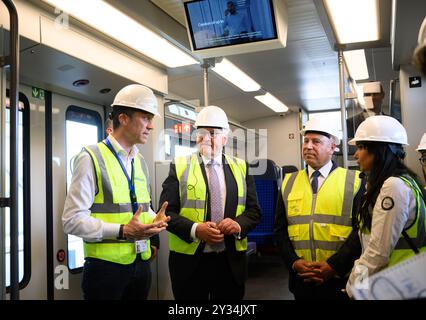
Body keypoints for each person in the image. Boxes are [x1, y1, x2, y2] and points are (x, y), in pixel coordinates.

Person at [62, 84, 170, 300]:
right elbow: (71, 220)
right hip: (105, 271)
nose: (151, 126)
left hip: (141, 264)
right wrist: (122, 230)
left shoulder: (139, 161)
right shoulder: (90, 157)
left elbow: (137, 208)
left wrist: (153, 219)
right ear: (123, 118)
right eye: (146, 118)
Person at [159, 105, 261, 300]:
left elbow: (254, 211)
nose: (206, 139)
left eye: (213, 133)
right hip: (190, 264)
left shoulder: (241, 167)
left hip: (229, 262)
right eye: (201, 133)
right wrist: (196, 230)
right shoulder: (179, 166)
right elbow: (165, 213)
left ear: (225, 137)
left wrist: (238, 224)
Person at [275, 117, 365, 300]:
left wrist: (333, 266)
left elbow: (361, 231)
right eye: (306, 141)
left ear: (332, 147)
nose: (308, 146)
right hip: (301, 279)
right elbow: (280, 230)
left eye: (316, 141)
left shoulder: (354, 181)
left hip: (340, 278)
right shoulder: (288, 182)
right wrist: (294, 262)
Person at [345, 115, 426, 298]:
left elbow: (378, 252)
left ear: (379, 151)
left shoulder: (394, 186)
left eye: (360, 147)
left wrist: (354, 286)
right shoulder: (405, 182)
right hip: (405, 284)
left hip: (397, 285)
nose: (355, 154)